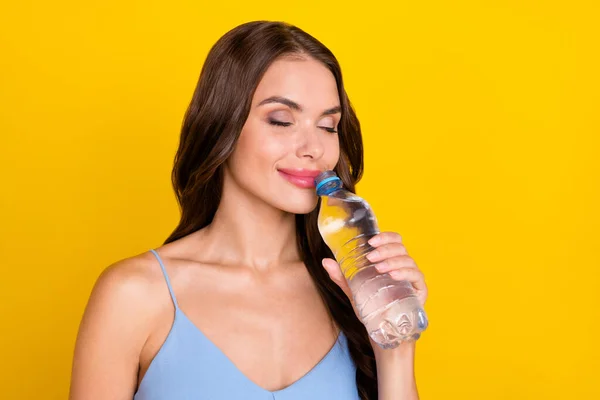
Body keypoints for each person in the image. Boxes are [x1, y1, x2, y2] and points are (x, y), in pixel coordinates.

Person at [69, 20, 428, 400]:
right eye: (281, 120)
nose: (313, 148)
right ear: (223, 124)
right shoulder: (133, 295)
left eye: (327, 126)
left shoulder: (349, 292)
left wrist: (395, 346)